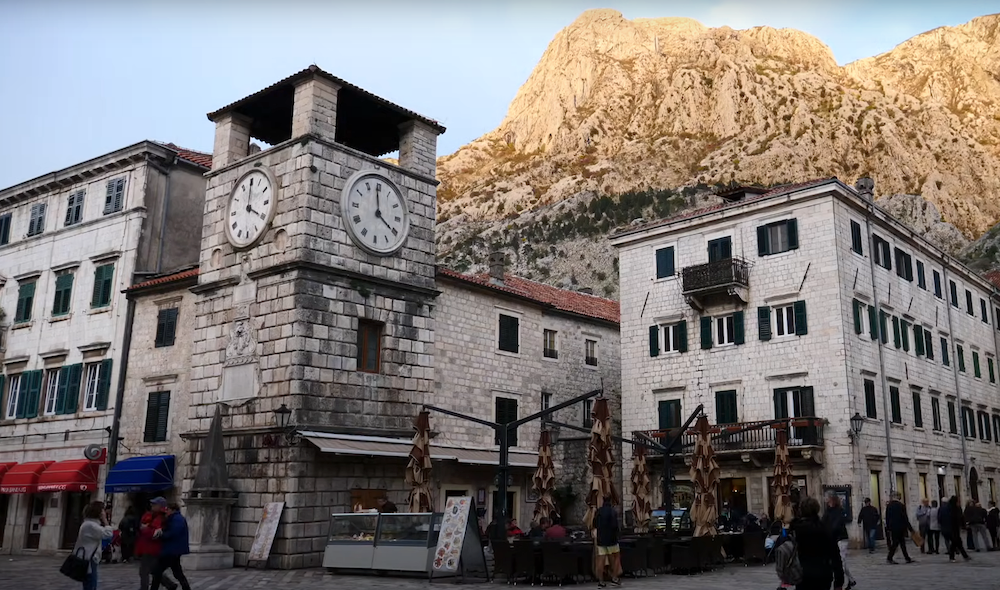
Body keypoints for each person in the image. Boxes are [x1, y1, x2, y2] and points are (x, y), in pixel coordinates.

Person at [791, 497, 844, 590]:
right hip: (823, 574)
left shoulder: (796, 529)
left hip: (803, 574)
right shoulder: (825, 528)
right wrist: (839, 581)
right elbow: (835, 555)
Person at [73, 501, 115, 590]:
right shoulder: (91, 525)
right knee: (91, 585)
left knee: (90, 584)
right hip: (90, 559)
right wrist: (105, 520)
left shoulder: (90, 524)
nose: (104, 512)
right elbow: (108, 534)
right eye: (103, 510)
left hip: (89, 558)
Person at [137, 498, 177, 590]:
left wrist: (145, 529)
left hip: (152, 547)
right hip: (147, 546)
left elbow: (154, 533)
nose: (152, 505)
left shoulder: (161, 517)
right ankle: (170, 584)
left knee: (144, 571)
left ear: (160, 506)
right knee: (154, 569)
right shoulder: (151, 515)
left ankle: (144, 588)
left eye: (154, 504)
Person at [150, 503, 192, 590]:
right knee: (177, 573)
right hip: (173, 550)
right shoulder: (174, 518)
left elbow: (173, 533)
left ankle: (161, 587)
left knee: (156, 570)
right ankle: (185, 588)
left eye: (168, 510)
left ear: (173, 510)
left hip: (171, 550)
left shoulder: (177, 519)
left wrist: (161, 535)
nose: (166, 512)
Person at [822, 494, 855, 589]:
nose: (826, 501)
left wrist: (831, 532)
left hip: (841, 538)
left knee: (841, 562)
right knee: (839, 563)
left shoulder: (839, 511)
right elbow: (823, 523)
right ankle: (851, 580)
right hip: (832, 540)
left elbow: (837, 524)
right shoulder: (827, 511)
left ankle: (850, 580)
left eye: (828, 499)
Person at [593, 498, 621, 588]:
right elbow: (615, 526)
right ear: (610, 502)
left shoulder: (598, 511)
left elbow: (595, 524)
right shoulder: (613, 512)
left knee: (600, 560)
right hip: (611, 539)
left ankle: (601, 581)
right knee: (616, 557)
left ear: (603, 501)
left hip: (601, 539)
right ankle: (614, 578)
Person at [885, 492, 914, 564]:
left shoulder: (889, 506)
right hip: (901, 527)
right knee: (897, 543)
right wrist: (910, 528)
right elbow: (905, 518)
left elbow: (887, 518)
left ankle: (907, 558)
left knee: (901, 542)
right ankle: (890, 557)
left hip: (893, 527)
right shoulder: (901, 505)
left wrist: (888, 528)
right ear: (898, 497)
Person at [944, 496, 971, 563]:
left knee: (956, 542)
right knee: (956, 542)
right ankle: (962, 556)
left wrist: (963, 525)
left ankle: (963, 556)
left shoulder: (957, 508)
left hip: (955, 528)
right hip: (951, 528)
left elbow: (961, 517)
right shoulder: (950, 509)